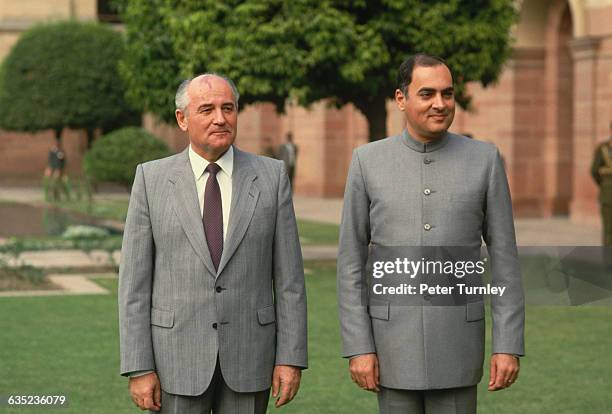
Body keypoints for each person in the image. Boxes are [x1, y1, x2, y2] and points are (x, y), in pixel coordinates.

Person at [337, 54, 524, 413]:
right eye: (427, 94)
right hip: (391, 347)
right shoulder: (366, 162)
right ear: (401, 99)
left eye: (448, 93)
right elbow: (350, 263)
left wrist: (507, 344)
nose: (440, 103)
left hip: (458, 344)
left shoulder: (485, 160)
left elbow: (505, 261)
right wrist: (359, 346)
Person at [118, 74, 307, 414]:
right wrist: (139, 366)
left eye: (228, 108)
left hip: (251, 358)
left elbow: (290, 280)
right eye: (206, 109)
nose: (220, 118)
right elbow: (134, 285)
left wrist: (291, 358)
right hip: (174, 361)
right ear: (182, 119)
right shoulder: (150, 179)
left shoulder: (272, 176)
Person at [590, 121, 612, 246]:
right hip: (608, 197)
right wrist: (604, 185)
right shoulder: (603, 149)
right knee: (609, 231)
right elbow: (594, 171)